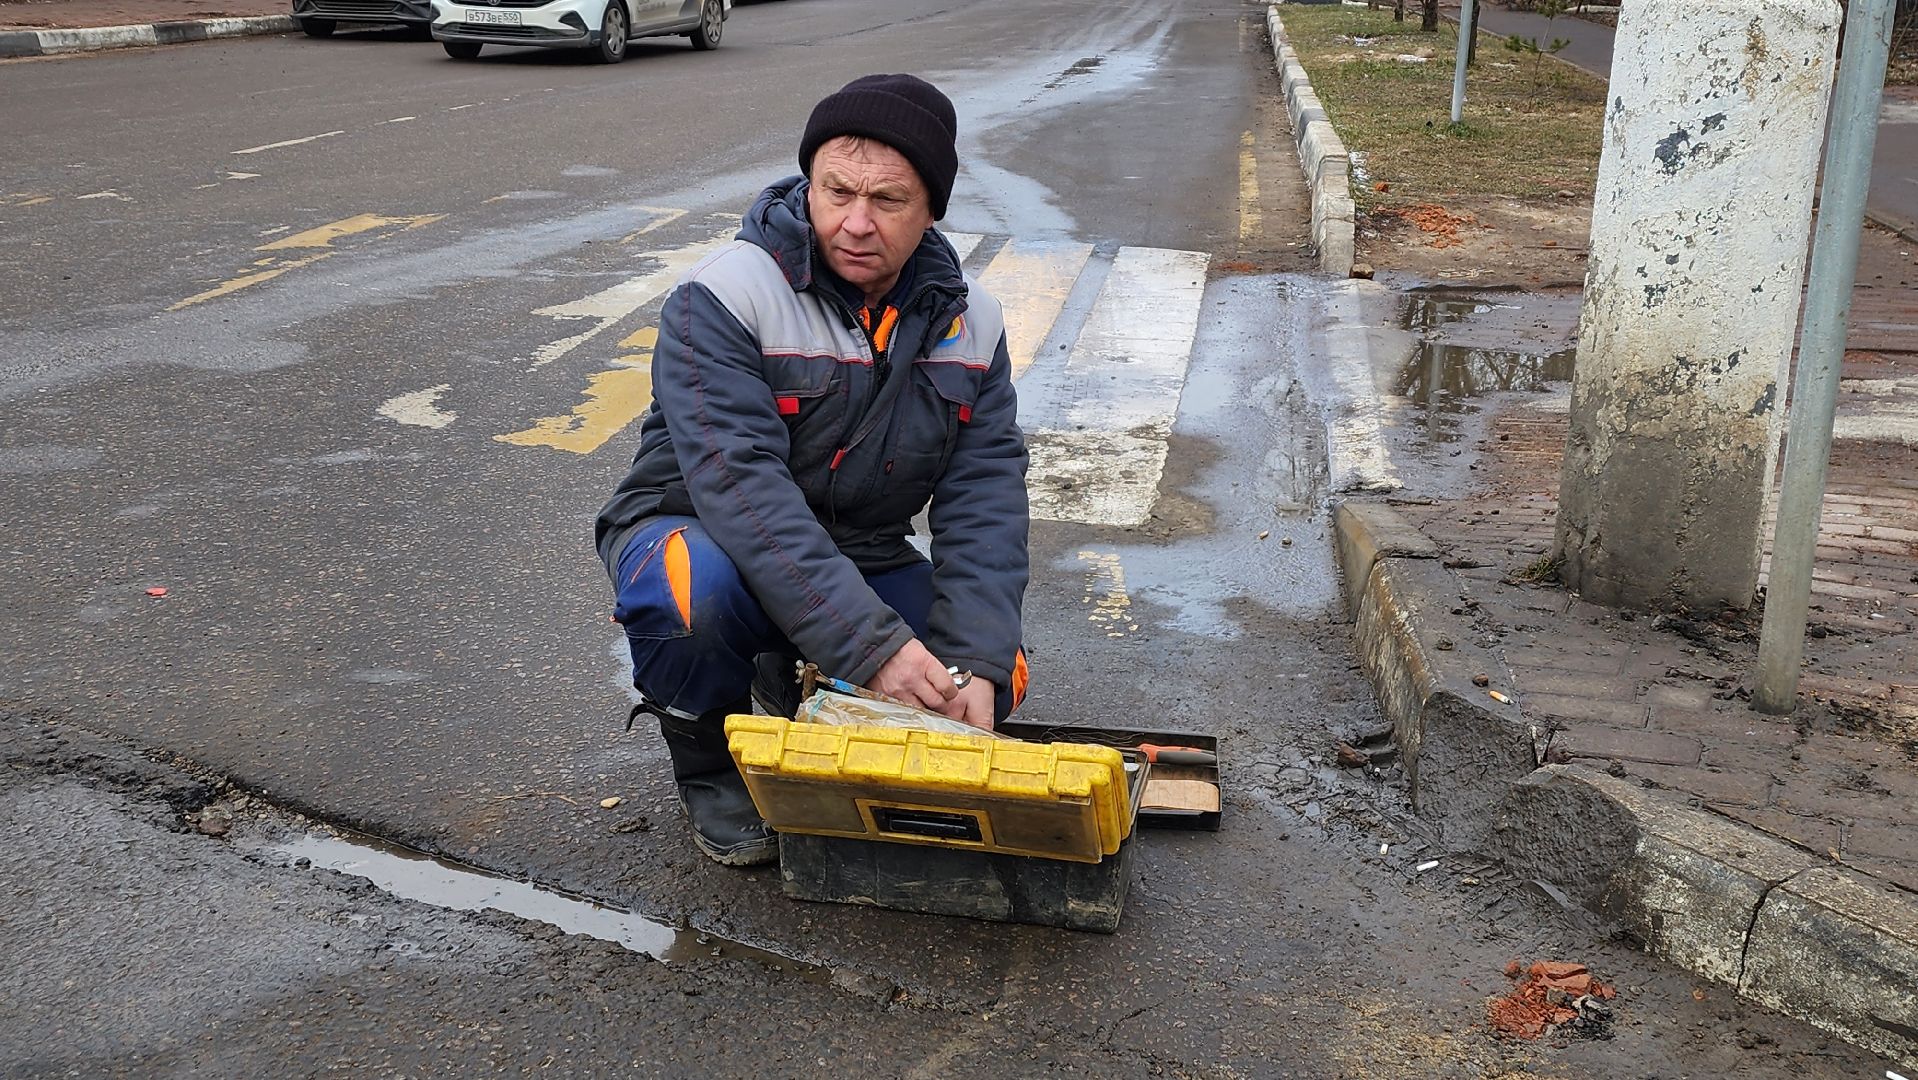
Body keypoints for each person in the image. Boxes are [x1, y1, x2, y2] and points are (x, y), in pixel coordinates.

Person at [593, 74, 1031, 867]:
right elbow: (742, 490)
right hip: (704, 528)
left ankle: (786, 672)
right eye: (836, 191)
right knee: (693, 596)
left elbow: (986, 497)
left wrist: (974, 663)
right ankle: (710, 767)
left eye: (888, 201)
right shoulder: (723, 294)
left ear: (933, 208)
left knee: (991, 675)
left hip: (859, 545)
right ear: (809, 182)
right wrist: (874, 650)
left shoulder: (975, 322)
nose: (855, 223)